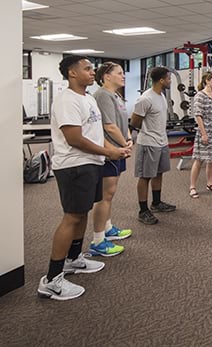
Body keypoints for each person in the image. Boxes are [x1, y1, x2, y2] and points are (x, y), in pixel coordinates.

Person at [37, 55, 130, 301]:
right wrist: (108, 151)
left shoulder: (88, 98)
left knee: (82, 213)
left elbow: (94, 133)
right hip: (74, 166)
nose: (92, 72)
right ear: (72, 73)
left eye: (92, 68)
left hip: (91, 163)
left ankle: (73, 259)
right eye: (87, 69)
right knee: (72, 217)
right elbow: (74, 139)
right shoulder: (67, 100)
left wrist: (115, 150)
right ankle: (52, 280)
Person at [89, 62, 133, 257]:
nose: (123, 76)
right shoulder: (102, 95)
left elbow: (124, 121)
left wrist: (129, 138)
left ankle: (107, 228)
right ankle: (98, 241)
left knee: (111, 193)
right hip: (110, 151)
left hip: (120, 148)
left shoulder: (116, 95)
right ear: (107, 76)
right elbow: (109, 126)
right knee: (105, 195)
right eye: (119, 73)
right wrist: (124, 145)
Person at [131, 66, 175, 225]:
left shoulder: (161, 95)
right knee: (145, 176)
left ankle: (156, 203)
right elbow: (135, 121)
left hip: (162, 141)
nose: (170, 81)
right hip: (148, 143)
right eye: (169, 78)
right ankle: (143, 211)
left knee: (159, 172)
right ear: (162, 80)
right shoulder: (145, 99)